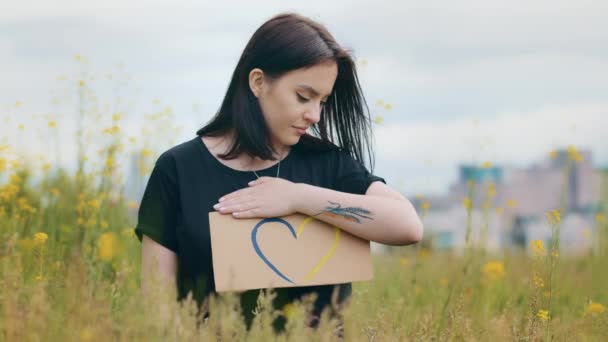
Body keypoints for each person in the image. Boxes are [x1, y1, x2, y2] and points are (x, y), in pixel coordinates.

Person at [134, 11, 423, 336]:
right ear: (258, 82)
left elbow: (407, 225)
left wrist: (296, 197)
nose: (314, 114)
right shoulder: (178, 169)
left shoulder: (328, 164)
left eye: (323, 101)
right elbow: (157, 307)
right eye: (303, 97)